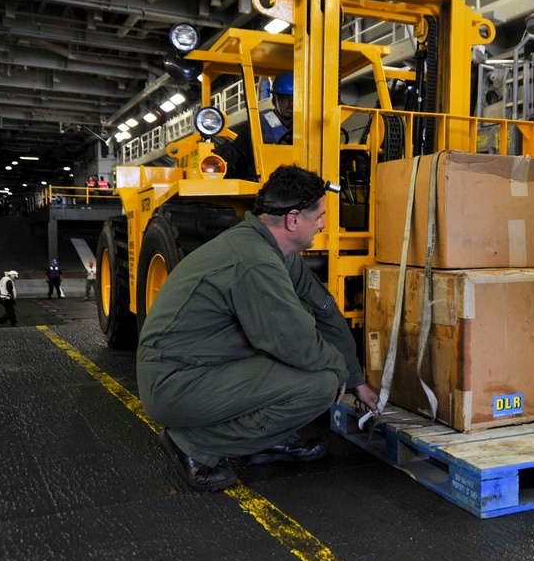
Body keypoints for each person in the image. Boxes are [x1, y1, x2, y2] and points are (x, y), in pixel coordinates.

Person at [137, 165, 379, 491]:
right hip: (174, 384)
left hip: (202, 366)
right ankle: (194, 445)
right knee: (320, 384)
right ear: (293, 220)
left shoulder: (275, 250)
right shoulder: (254, 260)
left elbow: (324, 309)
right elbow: (297, 343)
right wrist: (339, 371)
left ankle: (265, 442)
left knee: (320, 367)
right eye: (318, 216)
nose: (322, 224)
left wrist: (356, 378)